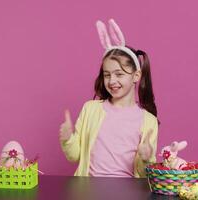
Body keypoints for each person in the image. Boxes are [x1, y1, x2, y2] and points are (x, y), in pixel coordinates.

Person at [59, 19, 159, 178]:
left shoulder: (149, 121)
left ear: (136, 75)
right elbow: (75, 156)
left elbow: (144, 173)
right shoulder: (90, 109)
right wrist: (67, 139)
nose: (112, 81)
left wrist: (146, 159)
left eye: (119, 74)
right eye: (107, 75)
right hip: (89, 190)